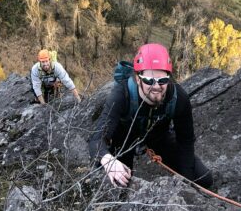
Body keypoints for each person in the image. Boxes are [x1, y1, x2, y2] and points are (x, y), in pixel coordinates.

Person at [89, 43, 213, 188]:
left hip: (158, 137)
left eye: (163, 80)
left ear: (169, 78)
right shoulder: (122, 95)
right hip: (123, 139)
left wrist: (187, 181)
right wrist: (108, 161)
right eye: (149, 80)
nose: (156, 86)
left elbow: (186, 141)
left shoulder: (178, 98)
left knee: (203, 179)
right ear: (137, 78)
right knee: (119, 181)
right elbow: (97, 139)